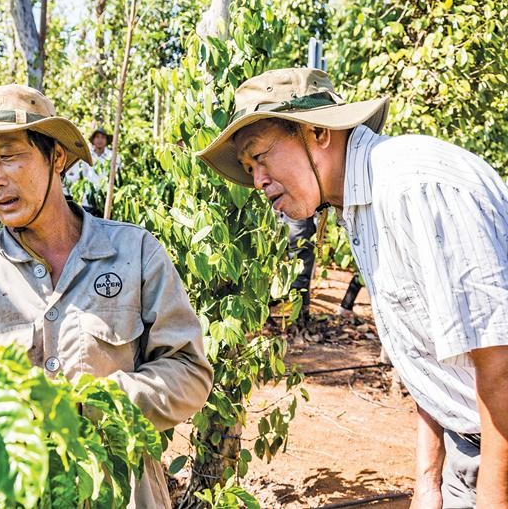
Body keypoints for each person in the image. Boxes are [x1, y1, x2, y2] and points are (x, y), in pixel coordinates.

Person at [196, 68, 508, 508]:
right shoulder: (358, 207)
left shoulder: (415, 188)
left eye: (261, 157)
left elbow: (500, 363)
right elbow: (430, 359)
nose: (258, 181)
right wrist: (427, 480)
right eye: (249, 169)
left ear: (318, 132)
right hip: (468, 445)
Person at [0, 84, 213, 508]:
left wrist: (91, 404)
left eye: (8, 157)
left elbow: (188, 370)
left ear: (56, 157)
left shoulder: (134, 253)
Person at [64, 126, 117, 216]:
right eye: (97, 137)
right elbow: (82, 174)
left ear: (106, 140)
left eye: (102, 137)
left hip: (105, 199)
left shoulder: (112, 156)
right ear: (93, 140)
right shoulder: (87, 155)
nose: (100, 140)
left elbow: (116, 176)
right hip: (88, 199)